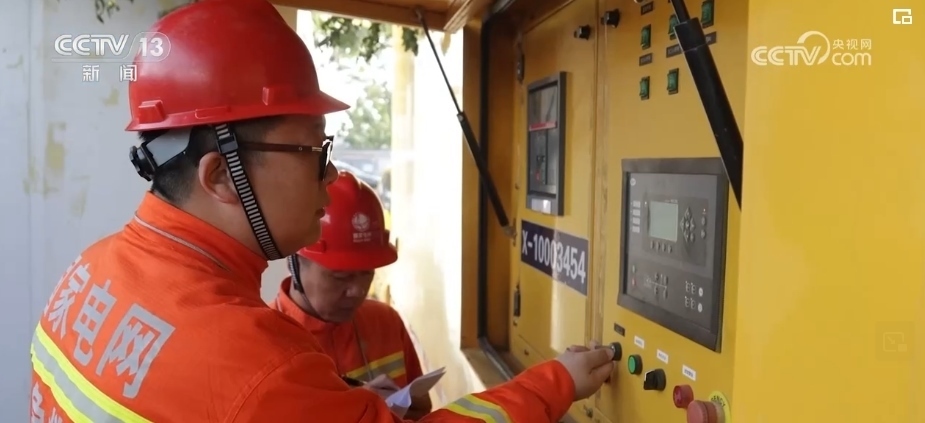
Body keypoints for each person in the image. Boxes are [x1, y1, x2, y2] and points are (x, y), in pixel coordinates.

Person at [28, 0, 616, 421]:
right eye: (312, 150)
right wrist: (555, 382)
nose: (330, 174)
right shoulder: (258, 368)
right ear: (221, 176)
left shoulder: (90, 272)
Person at [270, 171, 432, 419]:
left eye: (367, 273)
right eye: (340, 277)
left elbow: (420, 411)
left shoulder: (387, 323)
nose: (357, 291)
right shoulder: (265, 343)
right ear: (294, 261)